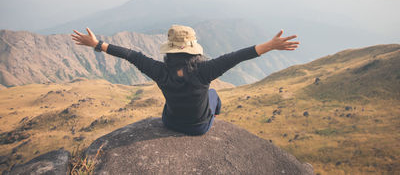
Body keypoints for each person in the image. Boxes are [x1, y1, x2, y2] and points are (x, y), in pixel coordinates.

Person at [70, 25, 299, 135]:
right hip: (199, 128)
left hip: (171, 123)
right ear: (194, 50)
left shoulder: (159, 71)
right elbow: (237, 56)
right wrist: (270, 46)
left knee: (171, 101)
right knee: (213, 95)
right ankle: (214, 117)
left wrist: (97, 44)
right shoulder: (204, 71)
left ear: (169, 51)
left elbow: (131, 55)